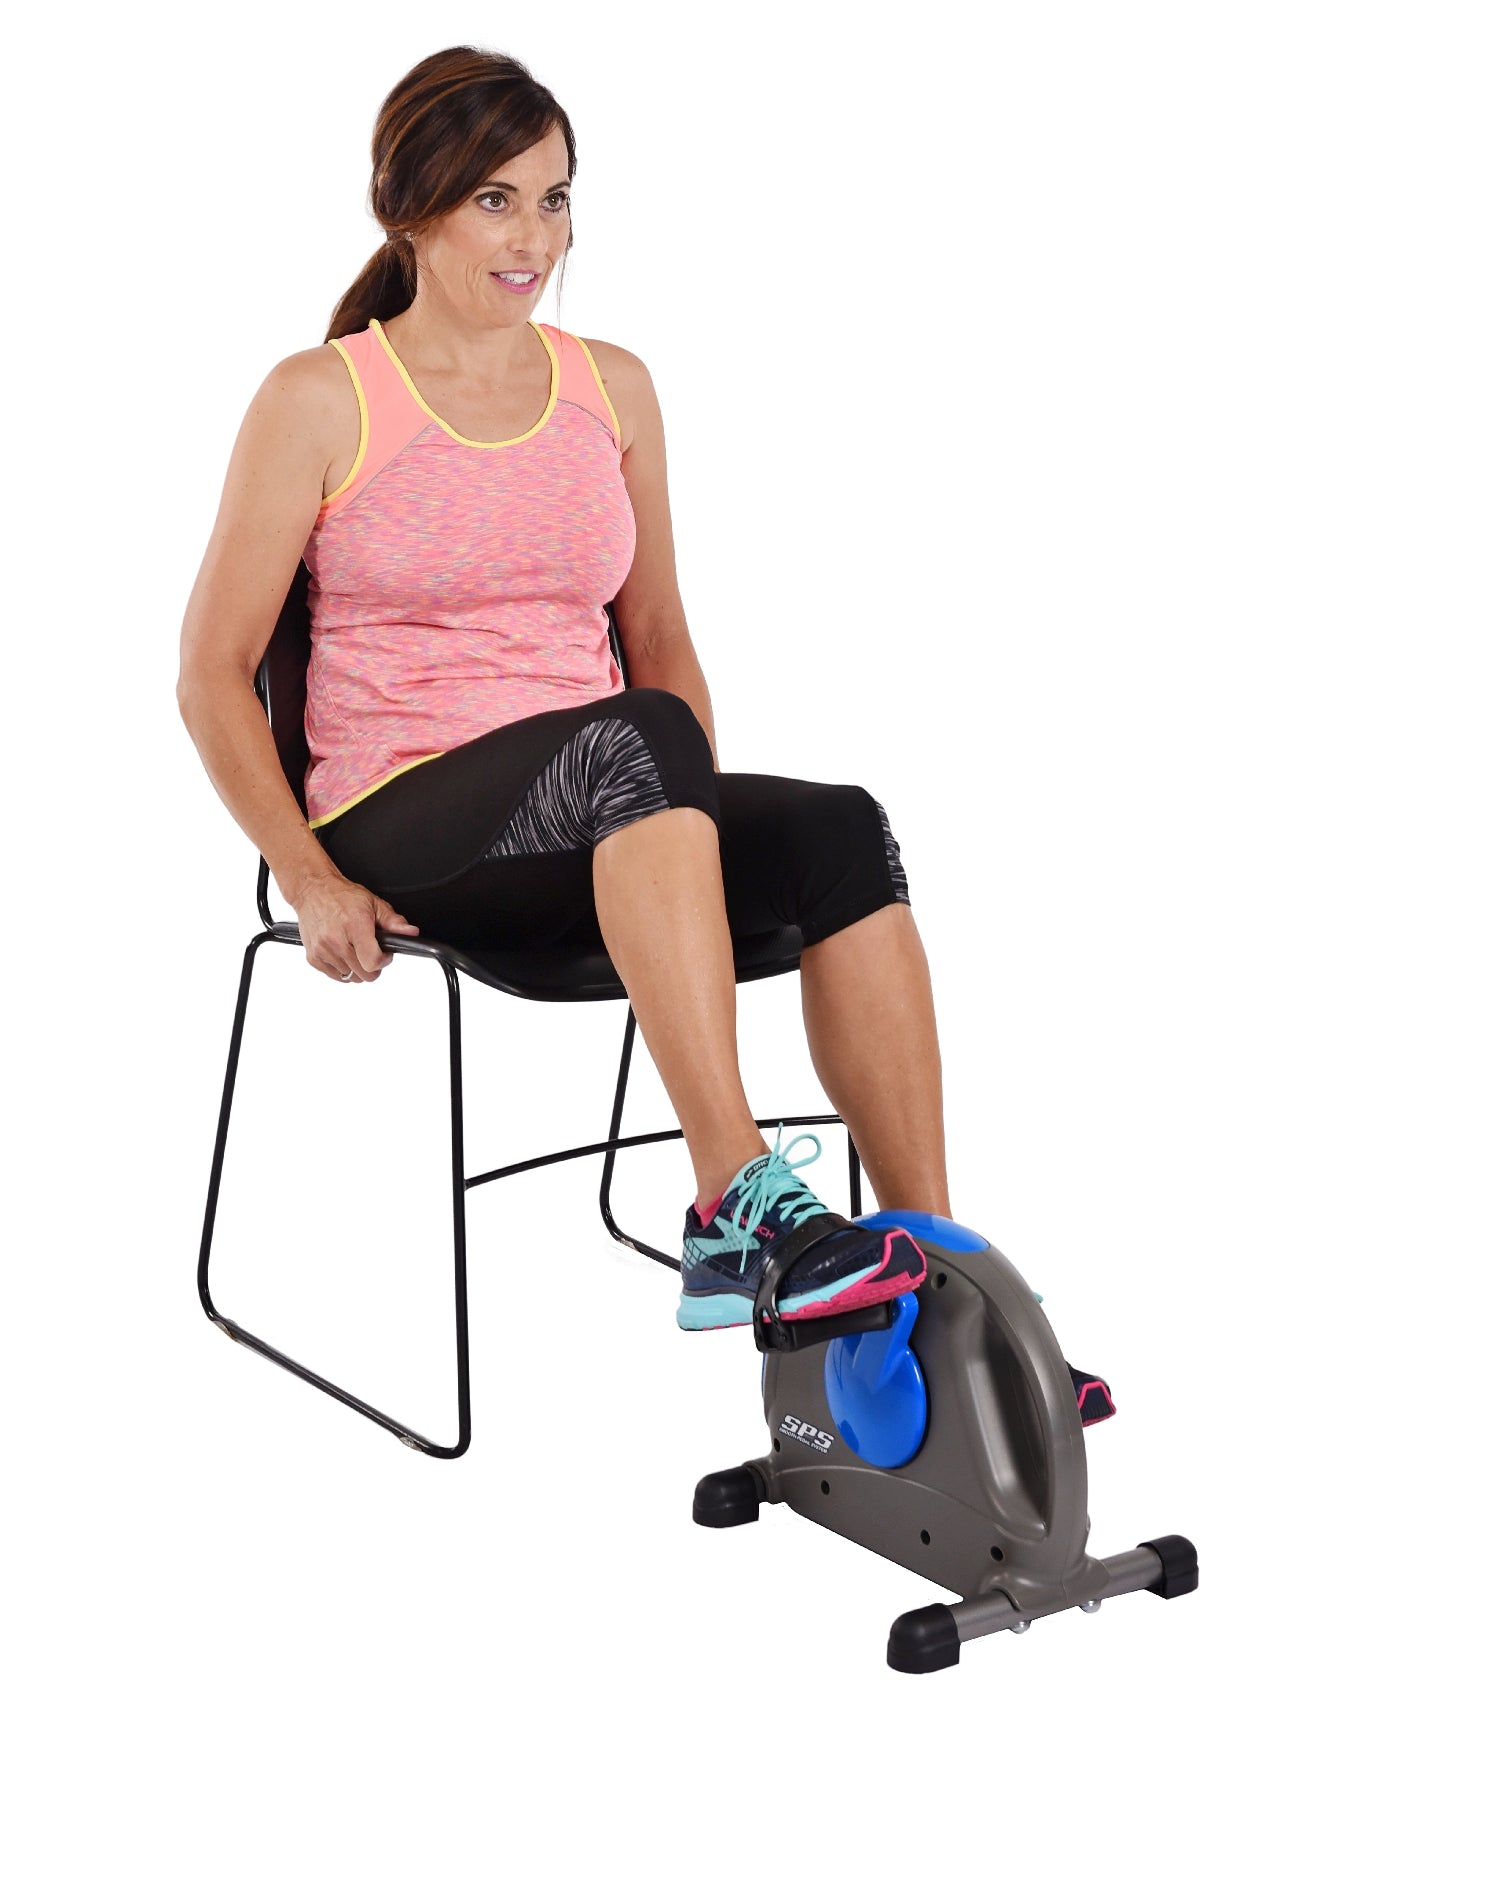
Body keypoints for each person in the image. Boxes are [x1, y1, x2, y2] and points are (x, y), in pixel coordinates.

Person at [177, 45, 1110, 1406]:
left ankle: (935, 1271)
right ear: (411, 208)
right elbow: (211, 670)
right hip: (403, 821)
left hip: (609, 807)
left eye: (556, 201)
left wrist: (691, 841)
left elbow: (659, 634)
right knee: (640, 738)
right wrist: (309, 876)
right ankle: (739, 1202)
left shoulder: (610, 386)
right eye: (497, 201)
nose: (534, 239)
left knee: (836, 825)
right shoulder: (321, 399)